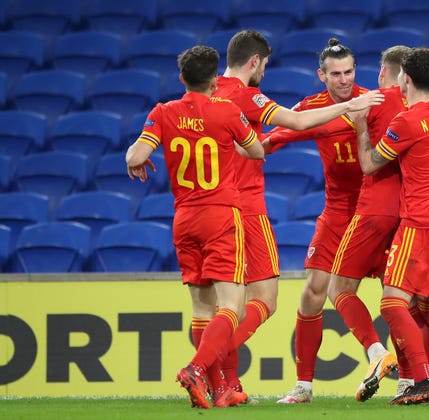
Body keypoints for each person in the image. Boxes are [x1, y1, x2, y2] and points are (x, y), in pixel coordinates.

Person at [211, 30, 384, 395]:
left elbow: (412, 138)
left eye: (349, 72)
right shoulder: (312, 108)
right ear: (322, 75)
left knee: (397, 296)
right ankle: (304, 386)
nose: (344, 80)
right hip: (338, 212)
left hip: (375, 212)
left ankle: (408, 376)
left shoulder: (375, 102)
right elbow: (274, 139)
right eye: (335, 74)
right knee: (313, 292)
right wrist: (243, 150)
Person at [325, 45, 429, 403]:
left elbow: (371, 164)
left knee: (391, 304)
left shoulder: (406, 122)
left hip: (422, 223)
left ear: (404, 78)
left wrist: (360, 128)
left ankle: (422, 381)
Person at [125, 45, 264, 409]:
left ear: (183, 78)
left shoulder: (164, 112)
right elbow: (256, 151)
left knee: (203, 310)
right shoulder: (227, 110)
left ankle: (218, 390)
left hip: (185, 218)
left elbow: (135, 156)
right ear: (216, 80)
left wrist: (136, 164)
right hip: (221, 213)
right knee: (232, 306)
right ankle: (197, 369)